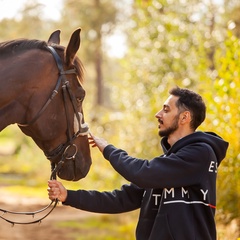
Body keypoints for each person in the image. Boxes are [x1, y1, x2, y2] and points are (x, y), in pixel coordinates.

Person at [48, 86, 229, 240]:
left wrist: (109, 150)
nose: (158, 114)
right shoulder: (169, 164)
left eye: (166, 110)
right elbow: (120, 200)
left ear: (184, 117)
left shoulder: (201, 154)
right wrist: (68, 196)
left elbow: (142, 173)